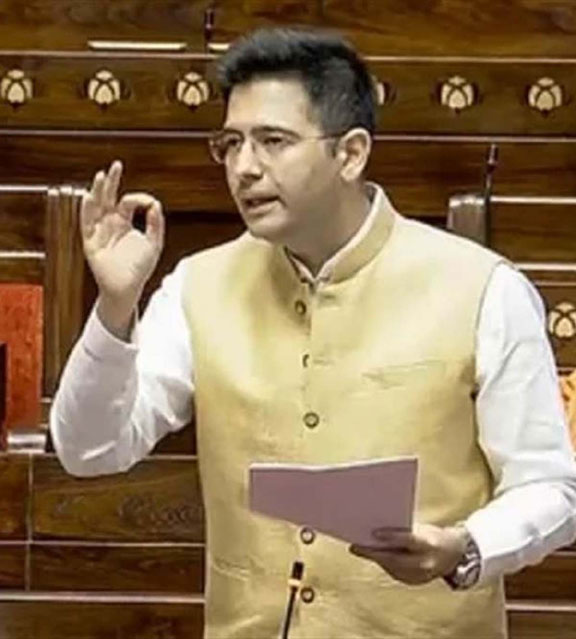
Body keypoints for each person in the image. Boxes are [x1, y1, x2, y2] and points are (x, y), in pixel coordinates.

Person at [51, 27, 576, 639]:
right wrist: (116, 306)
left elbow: (551, 487)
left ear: (350, 154)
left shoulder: (482, 288)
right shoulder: (199, 284)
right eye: (231, 143)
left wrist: (465, 546)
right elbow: (89, 450)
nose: (244, 168)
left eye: (273, 141)